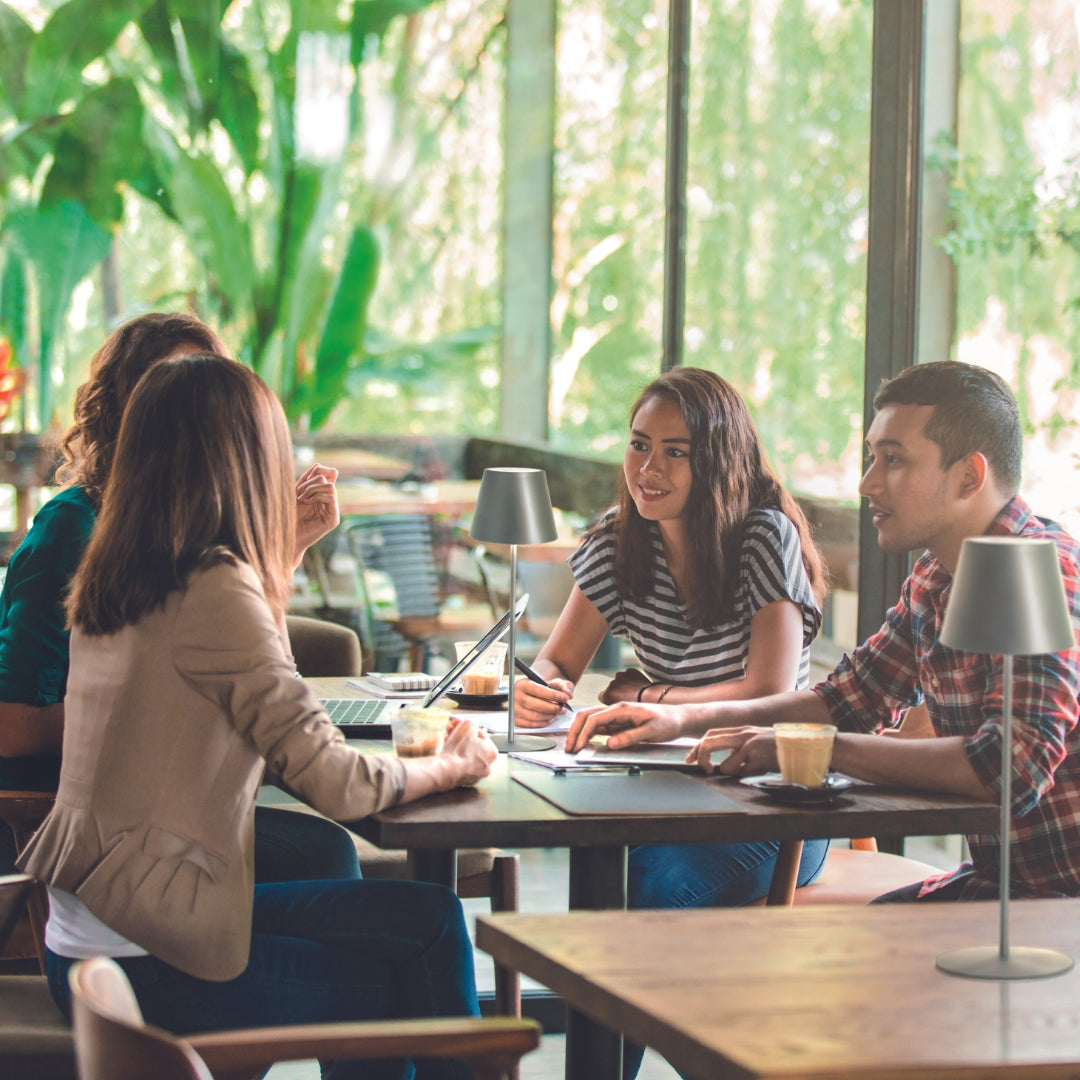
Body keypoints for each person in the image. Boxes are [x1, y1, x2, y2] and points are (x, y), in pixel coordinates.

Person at [19, 354, 498, 1080]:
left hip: (89, 932)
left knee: (424, 919)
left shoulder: (118, 568)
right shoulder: (211, 585)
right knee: (406, 975)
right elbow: (335, 782)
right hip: (149, 956)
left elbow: (244, 683)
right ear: (241, 461)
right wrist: (449, 765)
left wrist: (279, 557)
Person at [573, 360, 1080, 904]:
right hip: (1006, 886)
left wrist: (816, 750)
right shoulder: (934, 578)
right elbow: (844, 702)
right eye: (872, 457)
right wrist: (676, 719)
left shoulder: (1042, 570)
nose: (867, 483)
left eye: (893, 460)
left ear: (969, 476)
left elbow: (1013, 766)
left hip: (1057, 901)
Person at [513, 368, 828, 1077]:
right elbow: (557, 664)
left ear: (715, 459)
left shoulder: (762, 536)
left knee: (637, 898)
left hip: (773, 808)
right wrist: (538, 691)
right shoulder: (621, 540)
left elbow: (770, 689)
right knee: (615, 895)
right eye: (638, 445)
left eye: (675, 452)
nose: (647, 470)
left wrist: (652, 697)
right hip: (663, 796)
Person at [0, 312, 360, 885]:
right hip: (68, 821)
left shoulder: (196, 530)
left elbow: (262, 682)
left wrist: (284, 555)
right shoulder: (72, 528)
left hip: (173, 808)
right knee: (326, 858)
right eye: (168, 389)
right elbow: (12, 727)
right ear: (122, 412)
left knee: (329, 853)